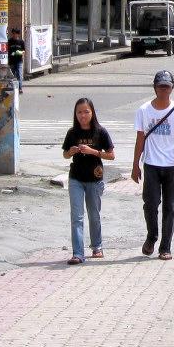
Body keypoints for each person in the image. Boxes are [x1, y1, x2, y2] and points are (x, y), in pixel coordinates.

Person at [131, 70, 174, 260]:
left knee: (170, 207)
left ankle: (165, 247)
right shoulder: (143, 111)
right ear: (155, 88)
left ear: (172, 88)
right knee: (150, 204)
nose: (163, 90)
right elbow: (140, 138)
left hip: (172, 165)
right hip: (151, 164)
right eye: (160, 86)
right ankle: (152, 236)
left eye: (167, 86)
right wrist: (135, 165)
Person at [61, 98, 115, 264]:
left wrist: (94, 151)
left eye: (86, 112)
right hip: (76, 178)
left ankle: (97, 246)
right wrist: (70, 152)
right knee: (77, 216)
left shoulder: (100, 132)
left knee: (94, 214)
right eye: (79, 112)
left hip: (94, 179)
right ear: (75, 114)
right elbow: (65, 154)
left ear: (92, 113)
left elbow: (111, 155)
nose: (83, 115)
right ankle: (77, 253)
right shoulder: (72, 133)